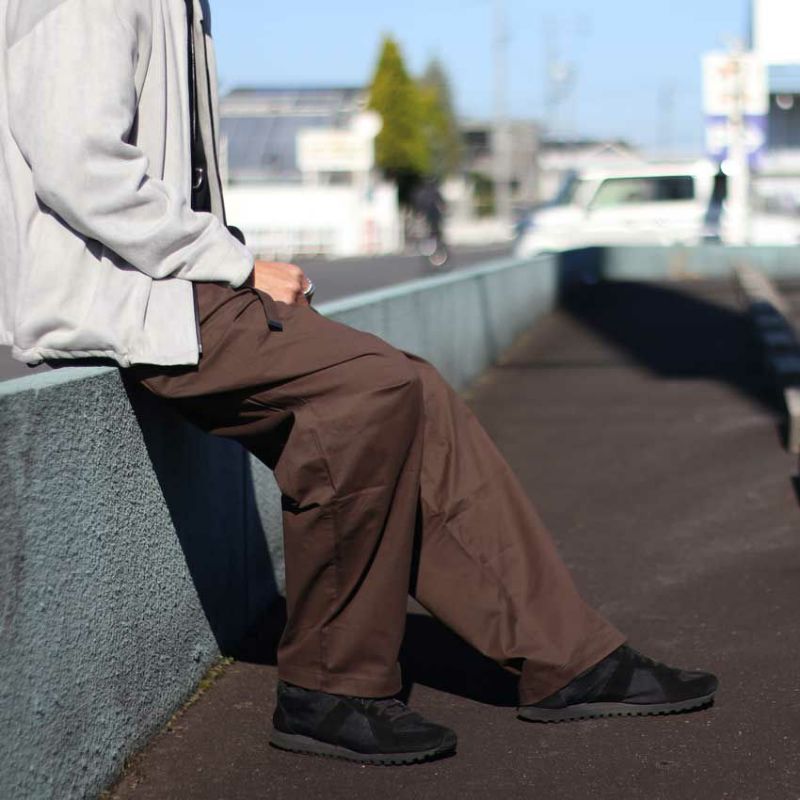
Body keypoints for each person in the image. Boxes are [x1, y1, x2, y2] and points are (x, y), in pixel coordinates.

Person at [0, 0, 717, 766]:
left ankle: (568, 657)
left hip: (174, 286)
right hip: (126, 295)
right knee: (367, 392)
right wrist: (235, 263)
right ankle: (328, 686)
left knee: (414, 389)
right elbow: (79, 163)